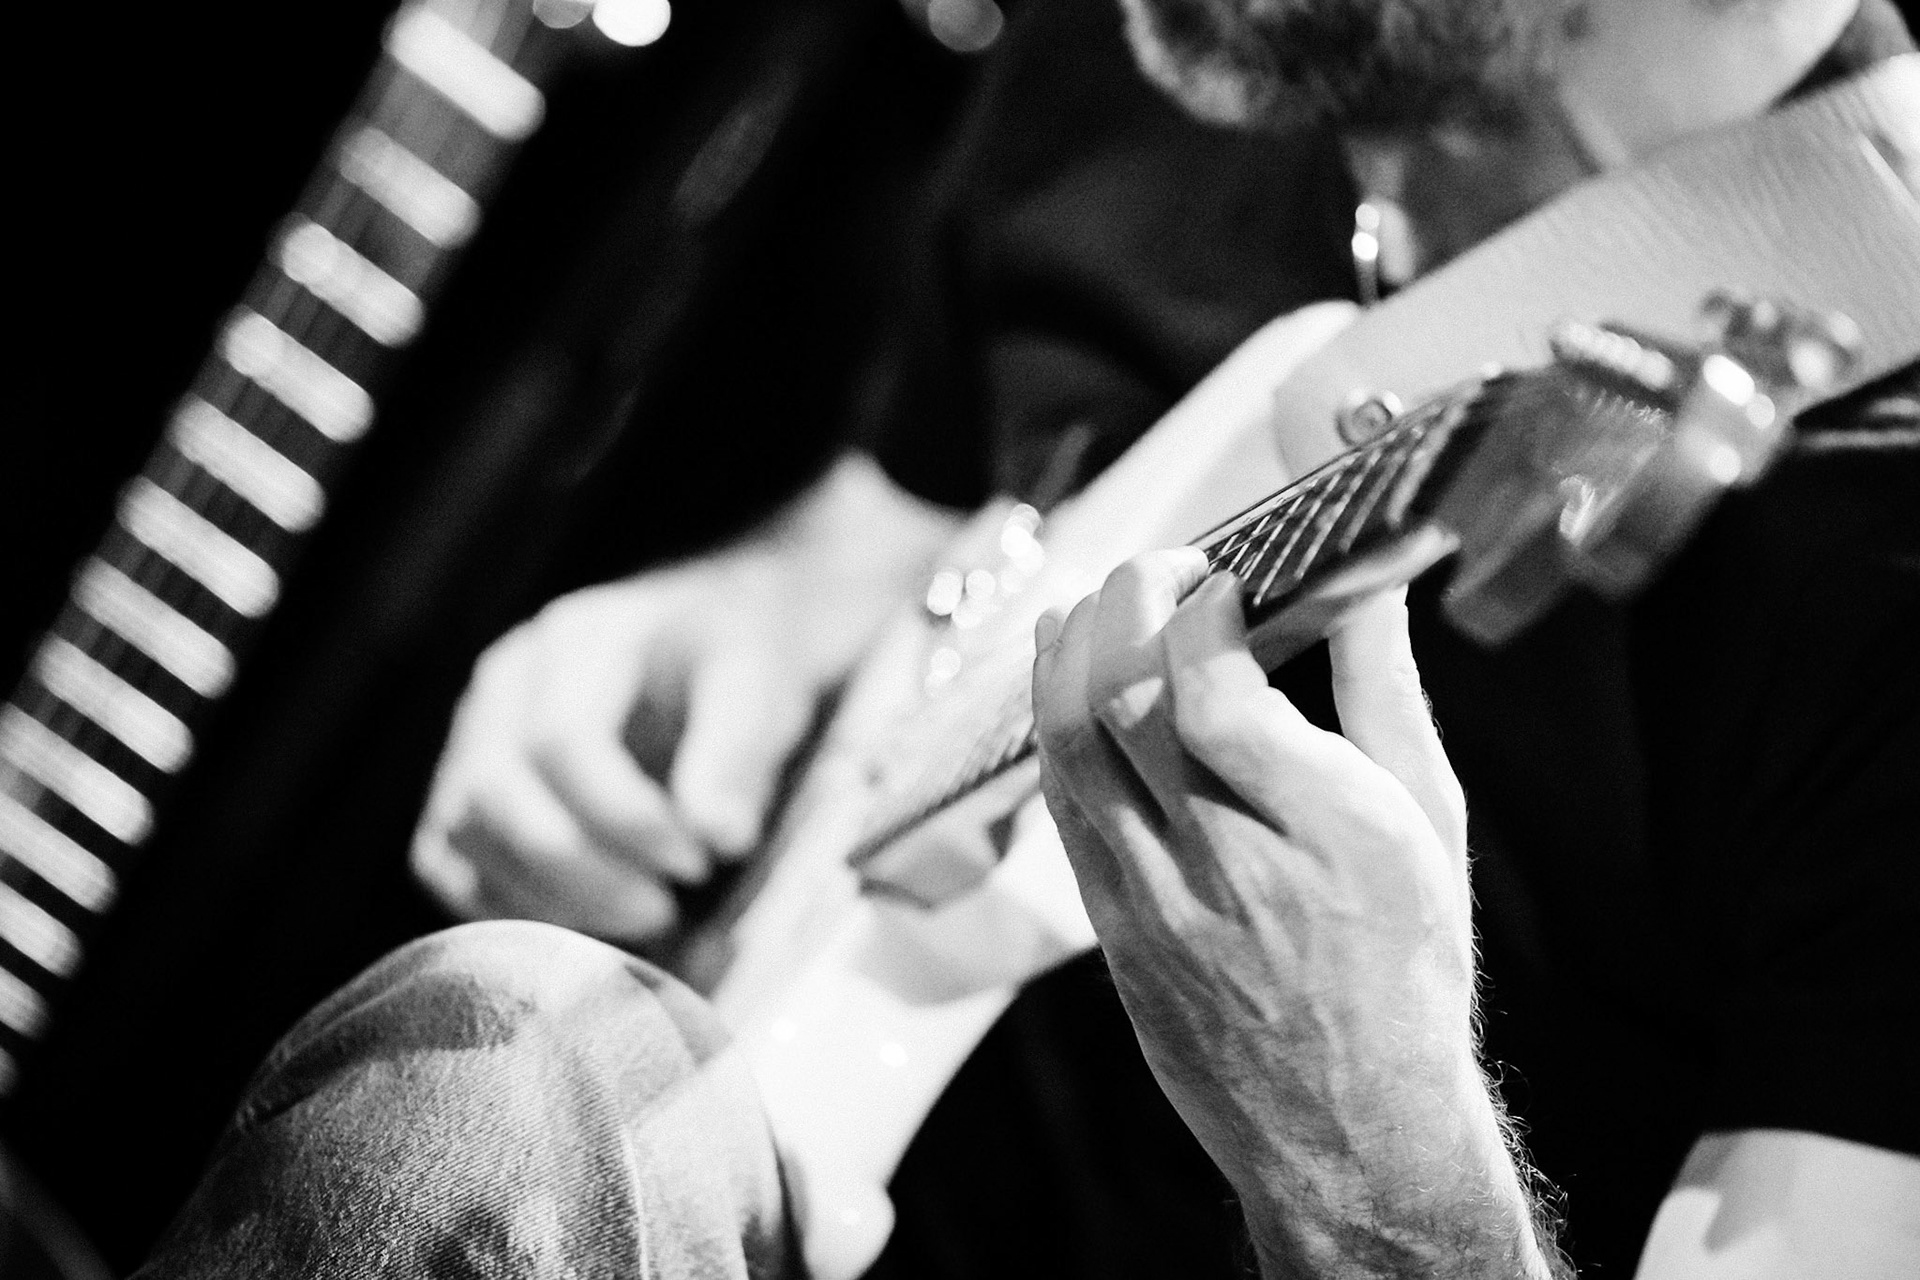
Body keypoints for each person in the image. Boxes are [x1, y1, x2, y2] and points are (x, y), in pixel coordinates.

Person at [138, 0, 1919, 1275]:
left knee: (493, 1076)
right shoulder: (1170, 49)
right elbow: (912, 525)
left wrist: (1376, 1180)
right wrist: (723, 629)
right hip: (755, 1148)